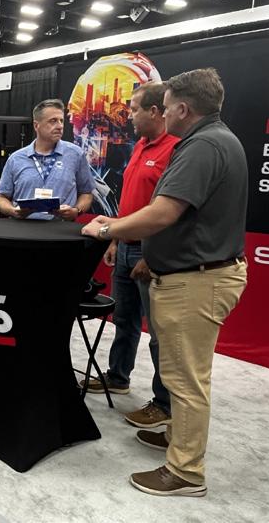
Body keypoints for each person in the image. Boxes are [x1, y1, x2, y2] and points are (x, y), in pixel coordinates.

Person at [82, 68, 248, 497]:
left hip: (196, 280)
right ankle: (178, 437)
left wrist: (106, 229)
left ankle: (185, 472)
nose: (161, 112)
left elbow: (163, 212)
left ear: (182, 109)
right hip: (194, 274)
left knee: (186, 378)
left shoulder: (203, 146)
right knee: (179, 371)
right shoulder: (212, 140)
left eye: (168, 105)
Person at [81, 82, 179, 430]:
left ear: (154, 111)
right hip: (124, 245)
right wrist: (115, 240)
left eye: (134, 109)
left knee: (160, 332)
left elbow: (170, 213)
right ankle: (118, 376)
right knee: (124, 319)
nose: (129, 116)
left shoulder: (175, 149)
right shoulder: (140, 145)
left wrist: (152, 255)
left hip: (150, 251)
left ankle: (164, 403)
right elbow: (131, 201)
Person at [0, 99, 95, 220]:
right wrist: (13, 211)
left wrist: (76, 210)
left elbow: (86, 194)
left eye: (61, 121)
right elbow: (2, 198)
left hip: (61, 228)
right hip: (23, 227)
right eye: (53, 121)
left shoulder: (76, 154)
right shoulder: (16, 159)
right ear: (36, 125)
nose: (60, 126)